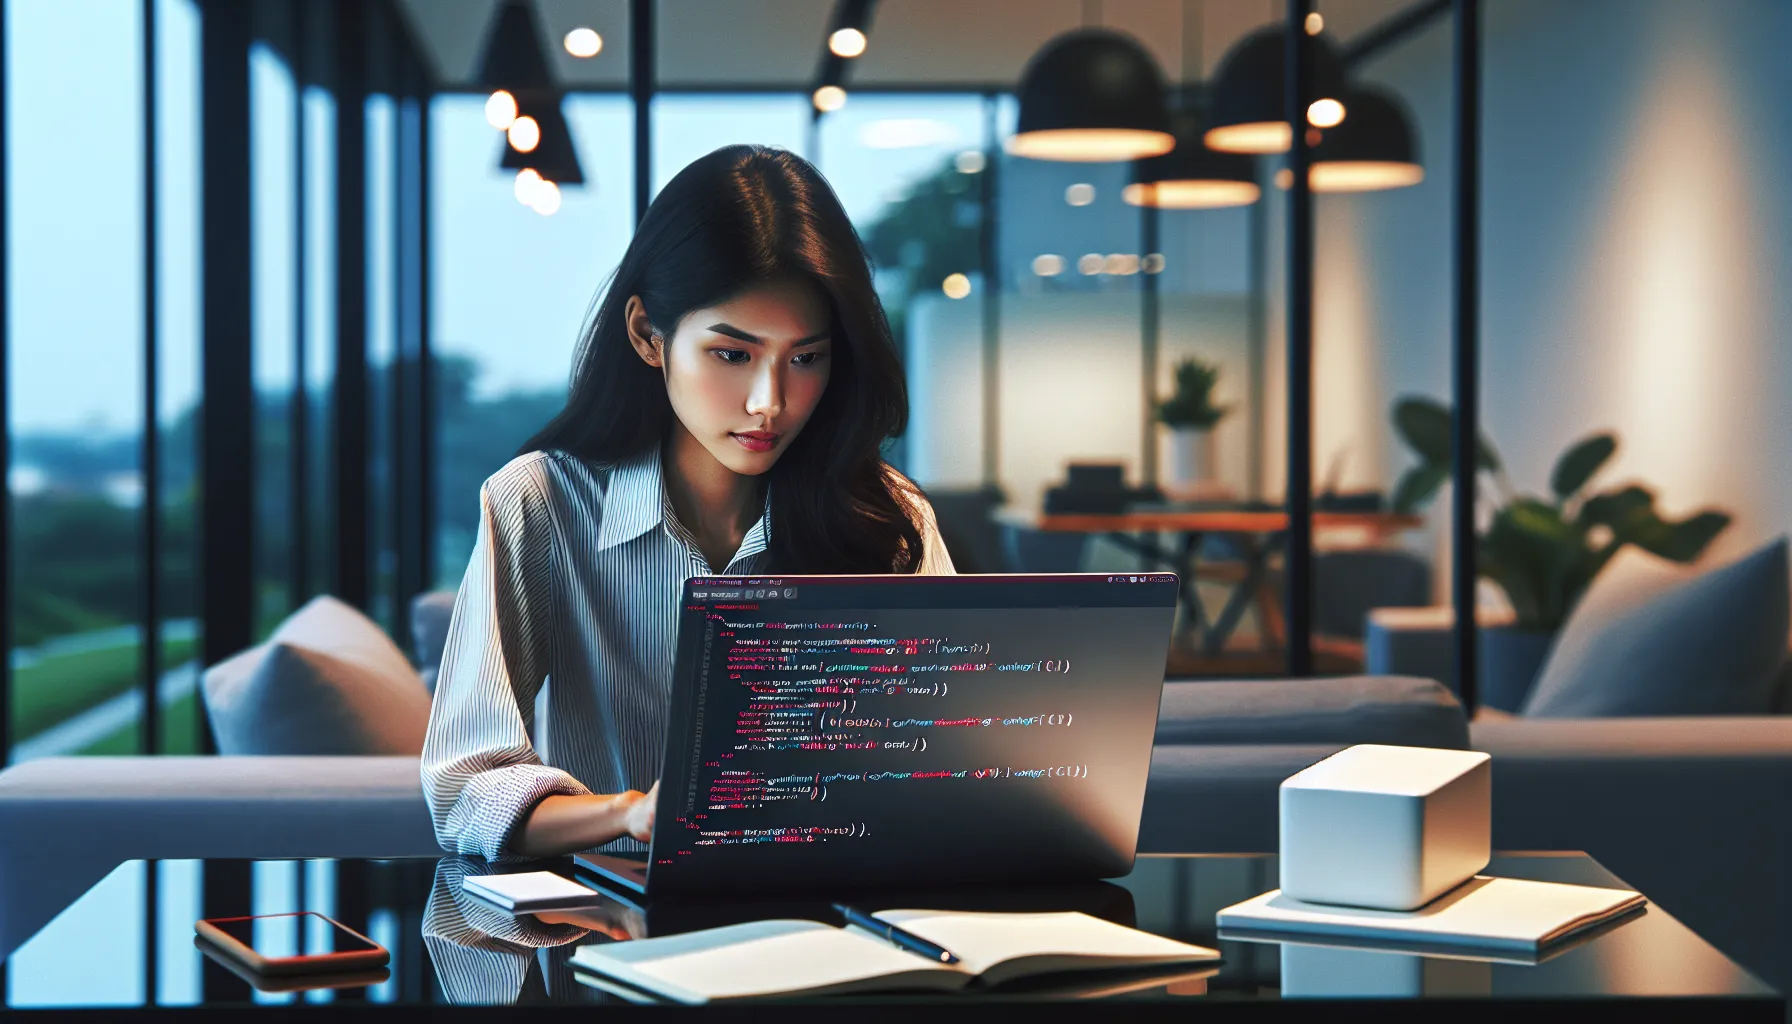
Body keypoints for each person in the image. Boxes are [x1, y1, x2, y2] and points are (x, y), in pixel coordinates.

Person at [422, 145, 956, 863]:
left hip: (836, 920)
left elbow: (950, 767)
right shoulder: (540, 502)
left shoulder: (889, 517)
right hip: (610, 939)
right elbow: (463, 792)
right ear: (649, 336)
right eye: (732, 355)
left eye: (806, 358)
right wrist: (635, 813)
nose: (770, 402)